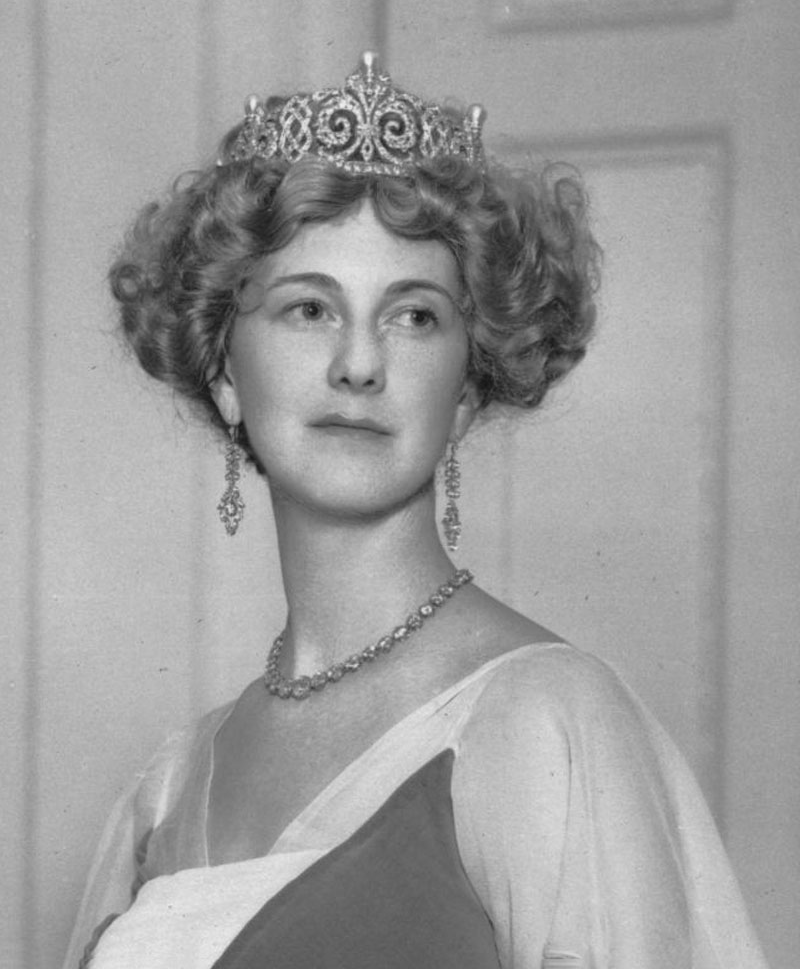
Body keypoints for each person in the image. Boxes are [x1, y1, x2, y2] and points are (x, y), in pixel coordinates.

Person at [64, 52, 767, 969]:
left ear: (468, 389)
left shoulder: (543, 721)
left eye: (414, 316)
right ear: (226, 375)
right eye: (309, 309)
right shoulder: (164, 790)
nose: (359, 363)